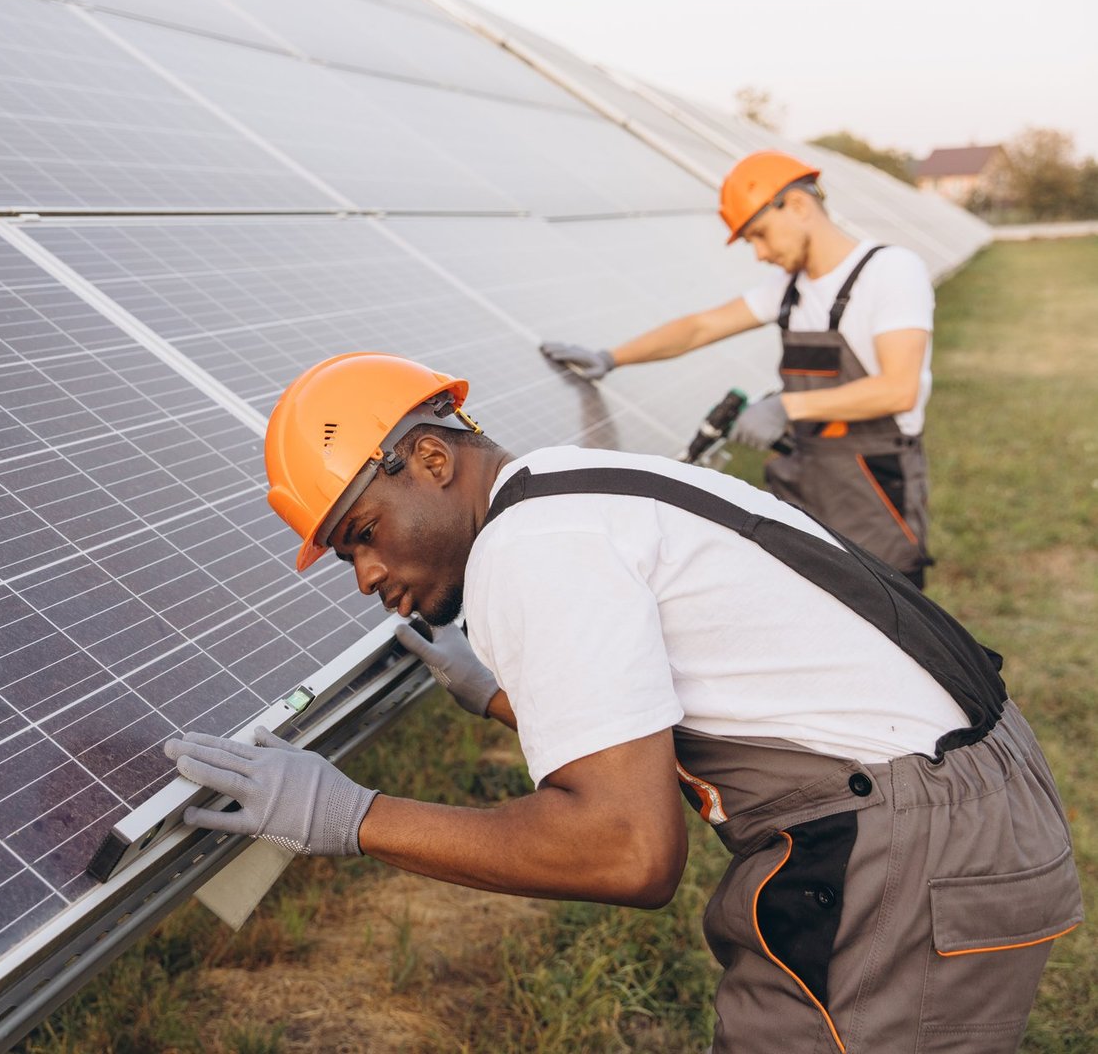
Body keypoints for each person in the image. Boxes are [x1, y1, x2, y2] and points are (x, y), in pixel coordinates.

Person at [164, 353, 1081, 1053]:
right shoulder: (582, 492)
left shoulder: (531, 547)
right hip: (962, 807)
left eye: (363, 533)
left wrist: (348, 816)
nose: (367, 575)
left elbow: (628, 852)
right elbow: (707, 709)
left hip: (900, 853)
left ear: (431, 458)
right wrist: (502, 700)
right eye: (345, 557)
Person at [540, 151, 938, 587]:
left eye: (760, 235)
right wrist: (611, 357)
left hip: (874, 489)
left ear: (800, 207)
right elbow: (699, 328)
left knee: (890, 616)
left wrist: (787, 407)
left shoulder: (890, 271)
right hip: (808, 481)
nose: (760, 253)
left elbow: (898, 389)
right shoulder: (791, 290)